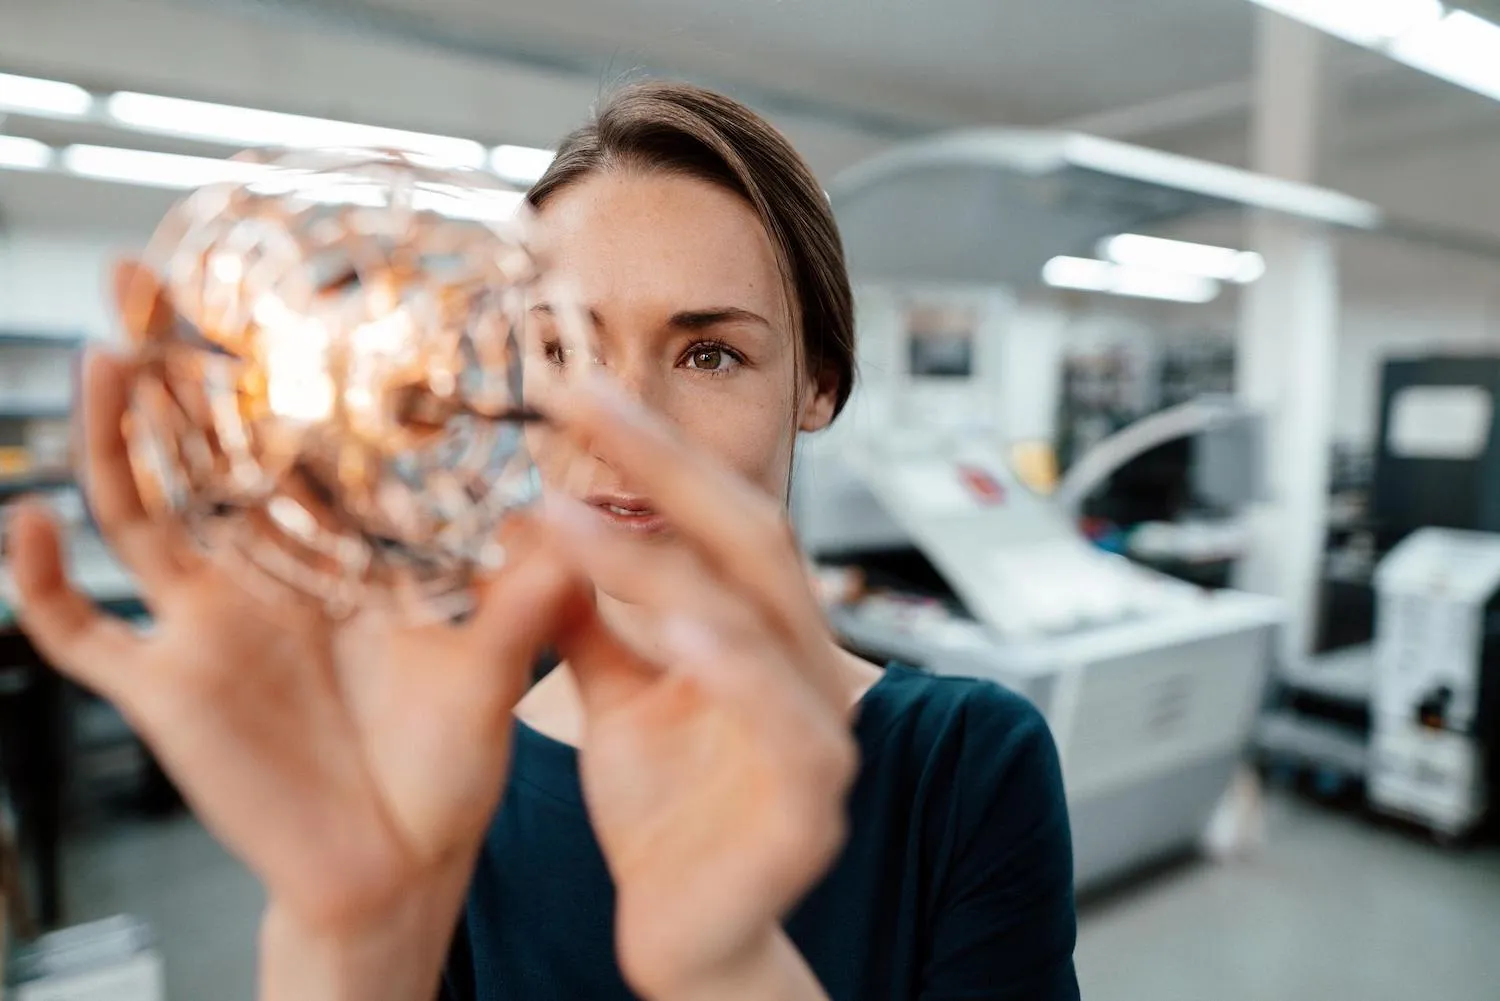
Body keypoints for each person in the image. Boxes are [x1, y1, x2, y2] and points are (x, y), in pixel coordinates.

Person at [4, 81, 1079, 1001]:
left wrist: (727, 968)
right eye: (561, 346)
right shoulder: (441, 774)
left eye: (708, 353)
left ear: (818, 383)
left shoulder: (967, 765)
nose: (631, 420)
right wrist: (349, 939)